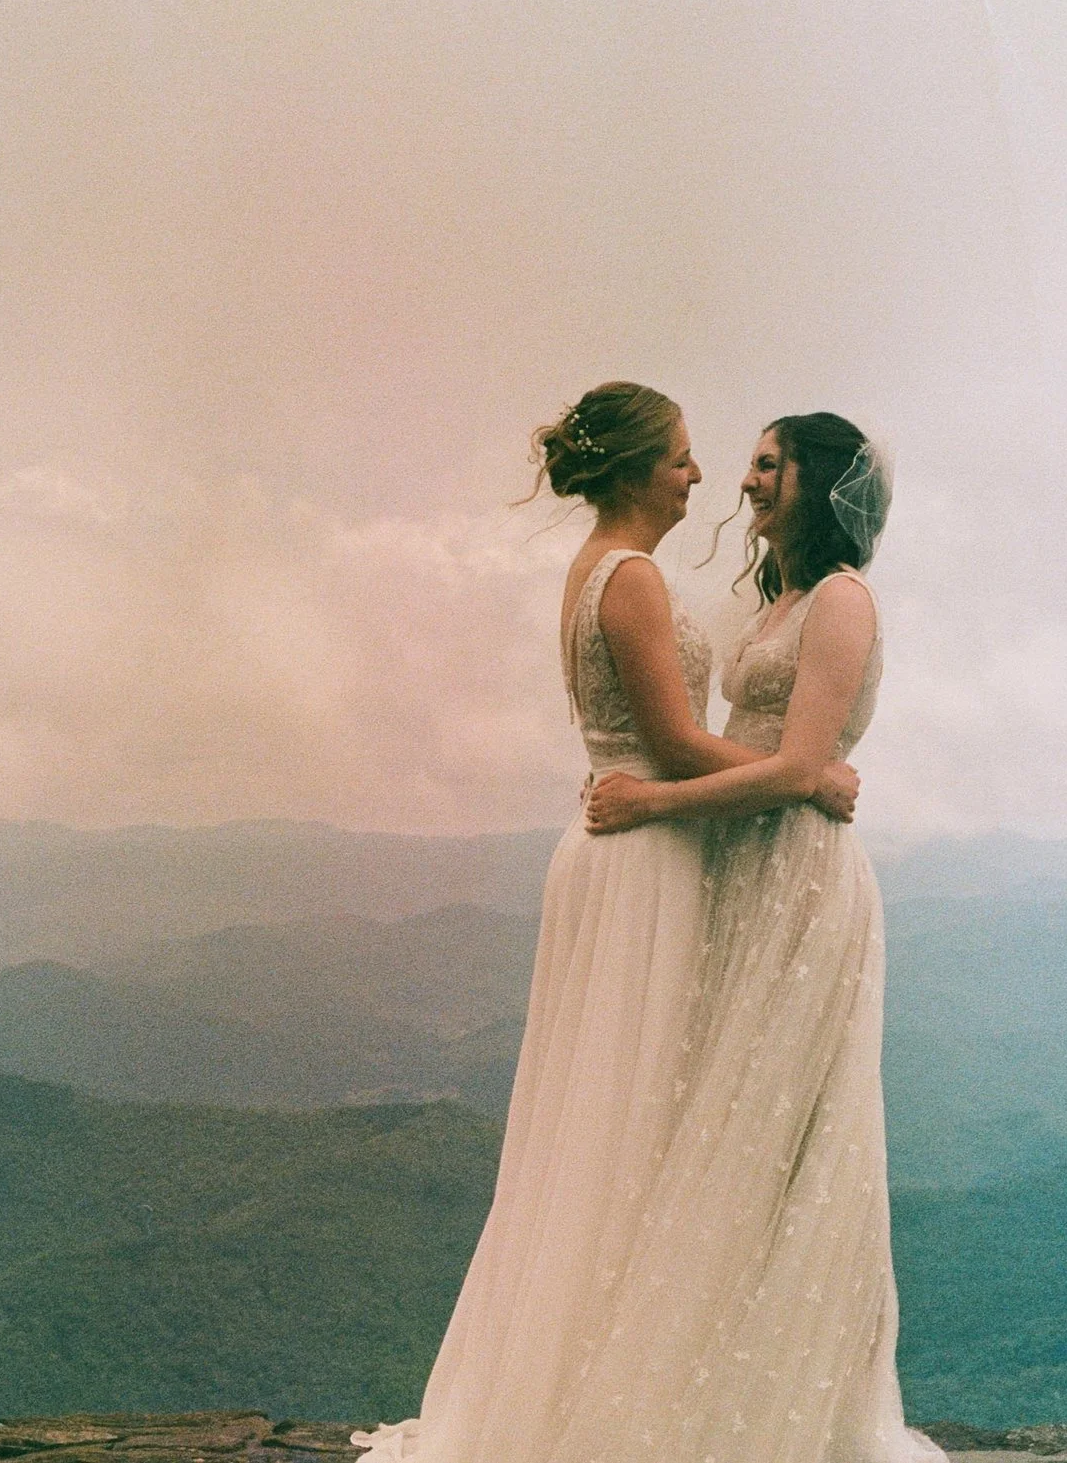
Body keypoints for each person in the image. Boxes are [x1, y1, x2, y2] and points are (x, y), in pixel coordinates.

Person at [352, 383, 856, 1463]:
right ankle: (595, 1400)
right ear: (633, 470)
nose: (696, 474)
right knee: (625, 1124)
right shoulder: (627, 580)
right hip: (640, 857)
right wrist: (802, 776)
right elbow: (670, 745)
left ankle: (599, 1377)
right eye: (678, 457)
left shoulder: (606, 572)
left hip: (623, 847)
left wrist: (787, 771)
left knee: (617, 1123)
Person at [572, 411, 943, 1463]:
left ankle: (793, 1414)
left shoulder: (839, 600)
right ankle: (708, 1393)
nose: (746, 480)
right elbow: (769, 758)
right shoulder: (779, 598)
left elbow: (802, 764)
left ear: (817, 481)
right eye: (749, 463)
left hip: (799, 882)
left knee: (785, 1134)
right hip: (739, 868)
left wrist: (649, 805)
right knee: (716, 1121)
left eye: (769, 463)